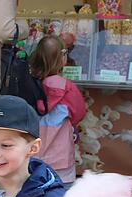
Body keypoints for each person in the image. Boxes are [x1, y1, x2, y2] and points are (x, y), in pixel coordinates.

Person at [29, 35, 86, 186]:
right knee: (62, 192)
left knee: (35, 188)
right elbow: (79, 113)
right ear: (62, 58)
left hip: (33, 154)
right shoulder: (67, 87)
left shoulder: (29, 84)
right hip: (60, 155)